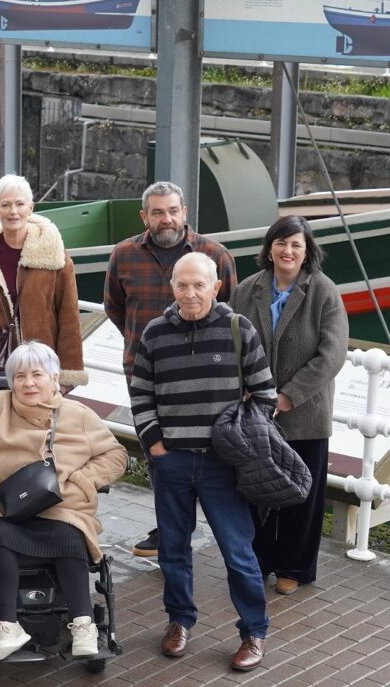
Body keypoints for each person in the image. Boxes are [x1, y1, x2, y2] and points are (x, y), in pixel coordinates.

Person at [128, 252, 276, 672]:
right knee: (173, 551)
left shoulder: (237, 328)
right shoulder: (155, 333)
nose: (190, 293)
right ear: (171, 287)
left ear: (215, 287)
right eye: (181, 285)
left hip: (221, 466)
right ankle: (178, 621)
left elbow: (265, 395)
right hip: (171, 462)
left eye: (199, 285)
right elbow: (141, 394)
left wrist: (238, 443)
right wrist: (155, 444)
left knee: (237, 551)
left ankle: (253, 631)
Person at [0, 341, 127, 660]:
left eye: (37, 375)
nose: (28, 383)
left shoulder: (78, 414)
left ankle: (83, 624)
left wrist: (82, 480)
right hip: (5, 504)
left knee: (72, 535)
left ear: (55, 379)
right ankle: (8, 624)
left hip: (61, 506)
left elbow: (116, 455)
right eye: (20, 376)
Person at [103, 180, 237, 559]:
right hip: (145, 374)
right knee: (156, 450)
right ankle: (170, 531)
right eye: (158, 212)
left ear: (185, 212)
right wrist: (147, 346)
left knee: (205, 452)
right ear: (144, 216)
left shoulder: (215, 255)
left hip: (203, 378)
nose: (167, 219)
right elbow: (115, 307)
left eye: (173, 211)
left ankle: (210, 529)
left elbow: (229, 312)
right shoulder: (124, 255)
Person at [230, 216, 347, 596]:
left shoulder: (324, 291)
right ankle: (258, 559)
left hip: (305, 412)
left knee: (303, 492)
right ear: (269, 248)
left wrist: (289, 395)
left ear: (308, 250)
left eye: (296, 244)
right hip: (255, 411)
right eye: (281, 243)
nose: (288, 251)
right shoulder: (248, 290)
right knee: (254, 486)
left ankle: (293, 567)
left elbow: (332, 354)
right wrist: (248, 389)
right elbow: (229, 342)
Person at [0, 174, 87, 389]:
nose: (13, 211)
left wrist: (69, 372)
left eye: (20, 204)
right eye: (6, 205)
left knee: (38, 422)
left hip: (41, 366)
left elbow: (69, 314)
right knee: (2, 422)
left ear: (31, 208)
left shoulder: (54, 254)